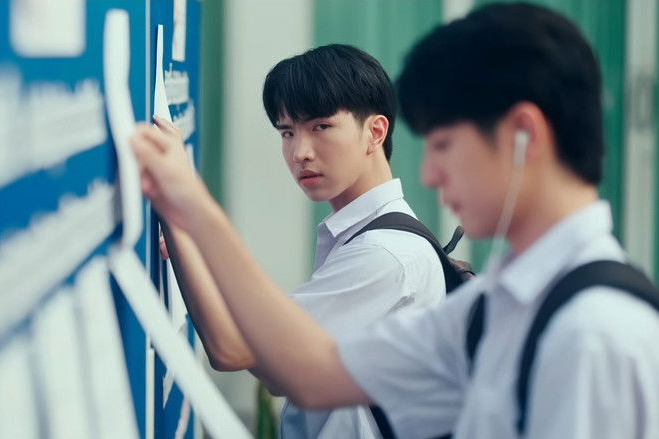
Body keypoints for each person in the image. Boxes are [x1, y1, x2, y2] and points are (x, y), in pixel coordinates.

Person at [133, 4, 659, 438]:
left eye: (444, 145)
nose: (428, 174)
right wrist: (190, 214)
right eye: (287, 132)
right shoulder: (498, 301)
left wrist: (193, 208)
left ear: (525, 135)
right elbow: (310, 371)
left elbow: (249, 352)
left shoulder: (592, 335)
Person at [157, 44, 446, 438]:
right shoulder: (366, 237)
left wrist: (178, 202)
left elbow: (233, 349)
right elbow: (276, 372)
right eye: (287, 132)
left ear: (375, 132)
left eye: (320, 127)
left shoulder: (383, 254)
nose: (300, 153)